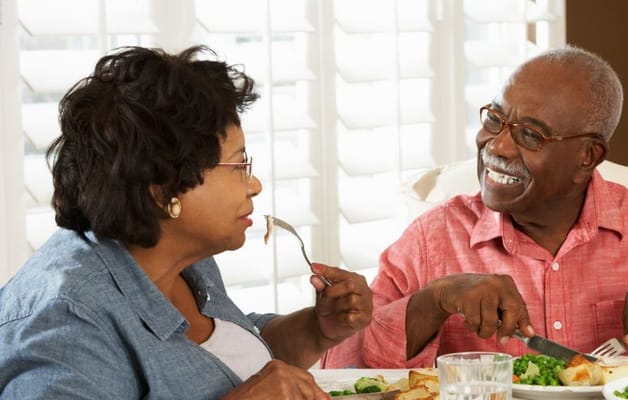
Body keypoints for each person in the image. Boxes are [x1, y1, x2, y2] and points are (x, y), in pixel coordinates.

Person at [0, 45, 372, 399]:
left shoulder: (177, 256)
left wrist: (315, 329)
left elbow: (221, 363)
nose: (254, 185)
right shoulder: (66, 326)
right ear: (163, 188)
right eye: (239, 165)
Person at [321, 45, 628, 369]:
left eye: (530, 135)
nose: (496, 146)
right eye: (495, 119)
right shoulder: (432, 239)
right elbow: (342, 368)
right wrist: (434, 301)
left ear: (588, 156)